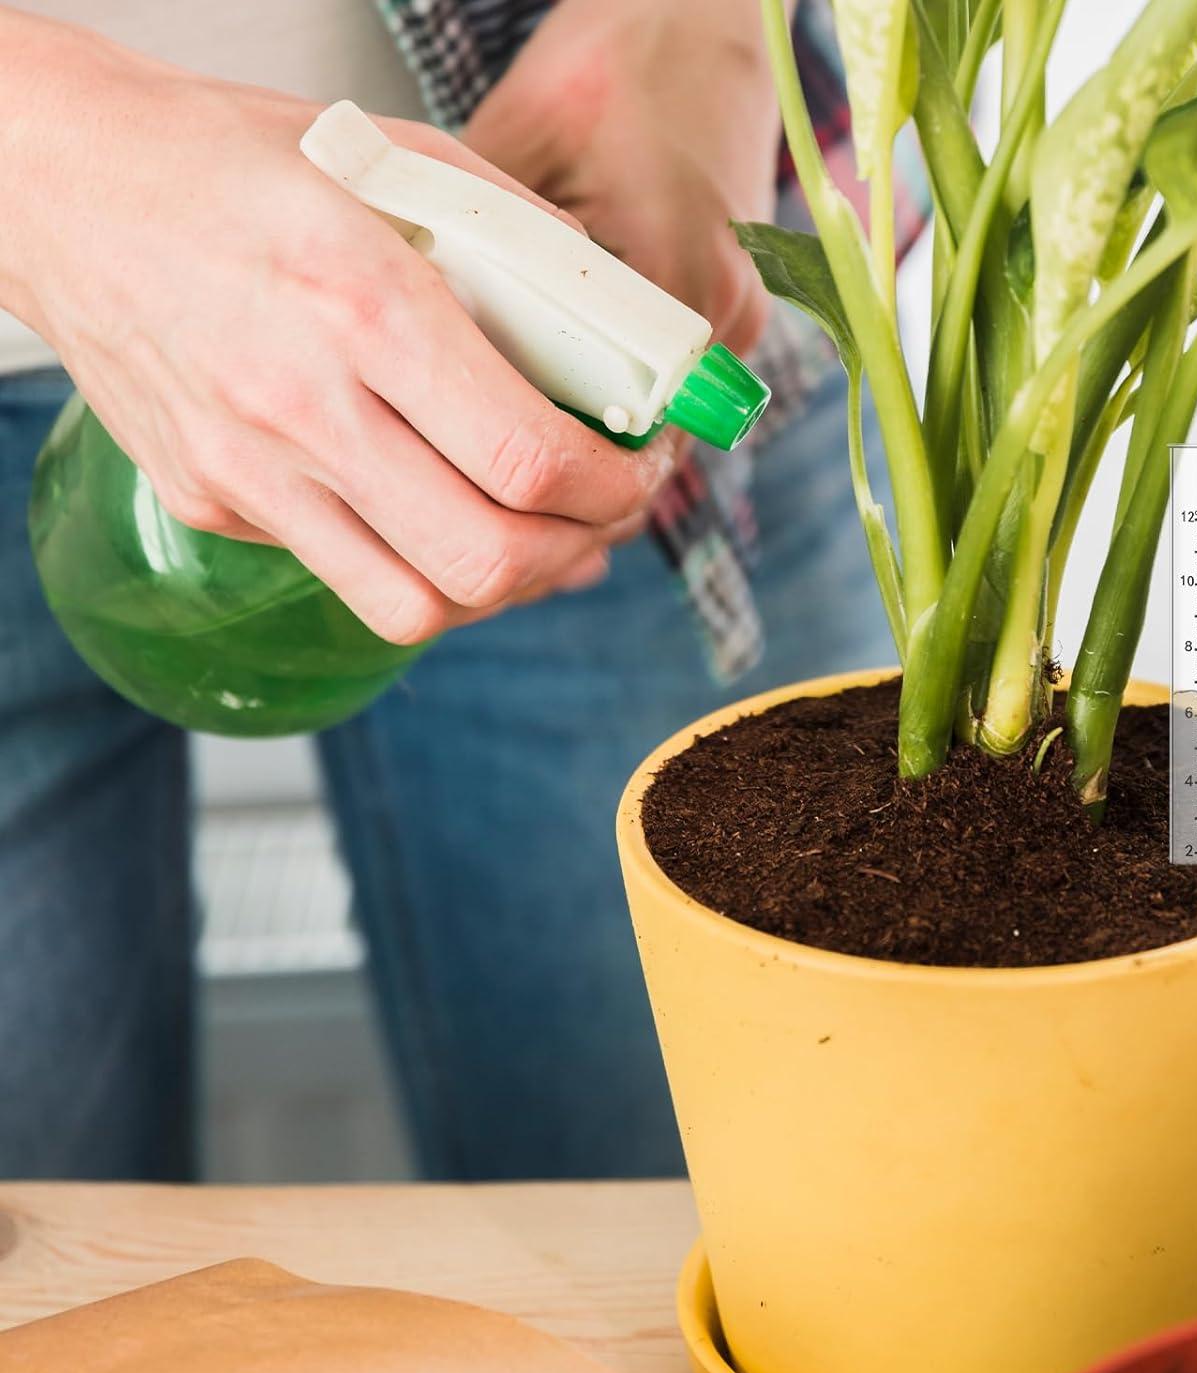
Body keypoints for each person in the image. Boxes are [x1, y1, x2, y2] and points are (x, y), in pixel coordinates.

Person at [0, 0, 922, 1179]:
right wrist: (45, 160)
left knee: (721, 1192)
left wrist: (700, 24)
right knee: (46, 1300)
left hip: (605, 229)